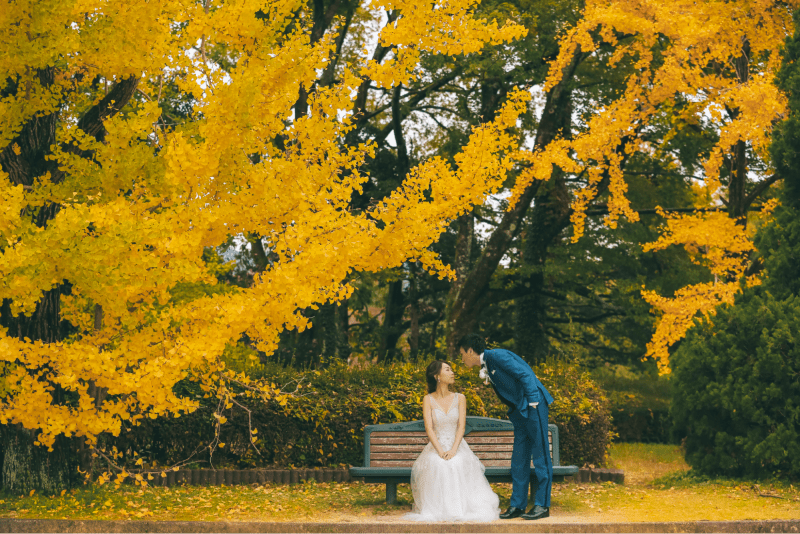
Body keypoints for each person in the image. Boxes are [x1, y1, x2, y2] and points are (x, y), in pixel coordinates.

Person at [458, 333, 554, 520]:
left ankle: (542, 505)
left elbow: (525, 374)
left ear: (470, 351)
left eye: (462, 354)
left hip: (533, 405)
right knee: (519, 459)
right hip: (519, 412)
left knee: (540, 454)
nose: (462, 358)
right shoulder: (487, 364)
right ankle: (517, 505)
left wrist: (533, 402)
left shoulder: (497, 356)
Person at [404, 360, 501, 522]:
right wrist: (441, 451)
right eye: (447, 370)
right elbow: (429, 429)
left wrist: (454, 450)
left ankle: (459, 510)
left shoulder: (460, 398)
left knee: (456, 462)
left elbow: (461, 427)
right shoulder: (428, 399)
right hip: (437, 446)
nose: (452, 373)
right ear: (437, 376)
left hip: (458, 446)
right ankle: (440, 510)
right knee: (437, 463)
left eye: (451, 370)